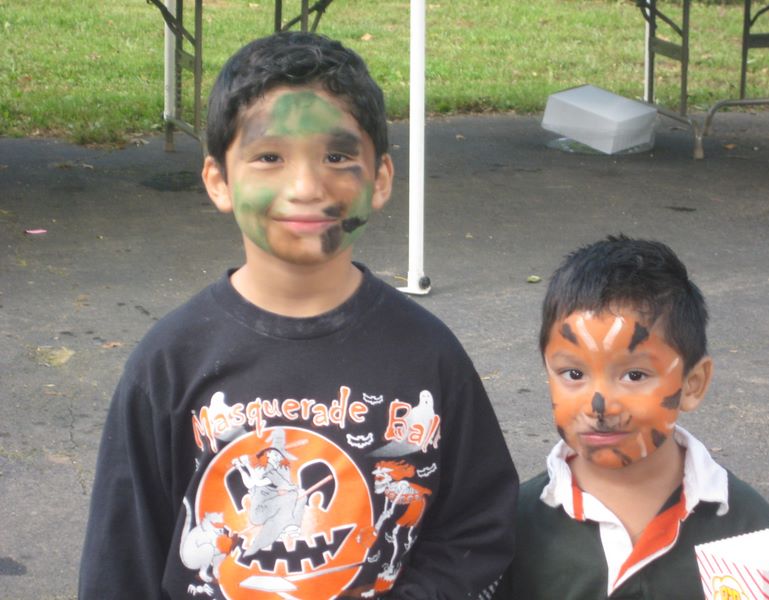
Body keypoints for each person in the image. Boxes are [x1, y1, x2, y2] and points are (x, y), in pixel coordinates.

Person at [79, 31, 517, 599]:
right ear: (219, 181)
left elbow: (480, 533)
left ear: (380, 179)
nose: (306, 187)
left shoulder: (429, 355)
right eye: (270, 157)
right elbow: (120, 563)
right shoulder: (169, 363)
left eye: (337, 157)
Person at [497, 235, 769, 599]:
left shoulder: (748, 527)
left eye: (634, 375)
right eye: (573, 374)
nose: (599, 406)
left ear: (692, 384)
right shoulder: (515, 524)